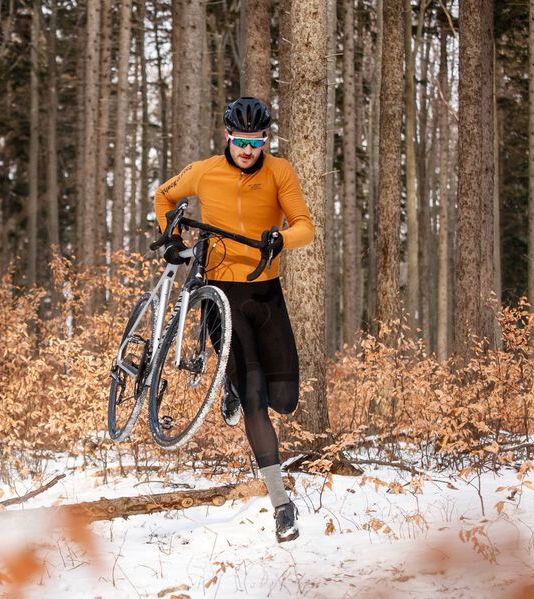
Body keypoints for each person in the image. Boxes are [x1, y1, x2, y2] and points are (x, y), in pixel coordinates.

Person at [152, 96, 314, 543]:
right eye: (240, 140)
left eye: (256, 141)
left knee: (285, 400)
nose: (247, 149)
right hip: (221, 292)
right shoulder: (204, 171)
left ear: (266, 140)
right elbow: (164, 195)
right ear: (228, 136)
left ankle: (230, 384)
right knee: (257, 399)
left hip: (266, 292)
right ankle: (282, 503)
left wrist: (280, 238)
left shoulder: (280, 172)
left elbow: (305, 225)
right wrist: (169, 236)